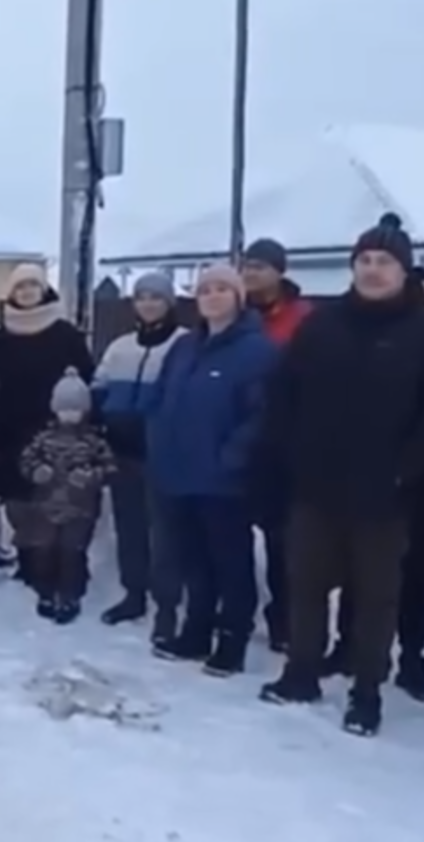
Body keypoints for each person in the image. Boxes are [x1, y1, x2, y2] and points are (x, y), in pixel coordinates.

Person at [256, 219, 424, 737]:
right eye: (365, 261)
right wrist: (291, 454)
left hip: (386, 494)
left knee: (376, 596)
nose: (374, 270)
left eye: (385, 262)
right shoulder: (322, 326)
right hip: (317, 486)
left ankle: (367, 690)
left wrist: (409, 465)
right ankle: (301, 672)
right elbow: (283, 395)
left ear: (404, 270)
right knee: (307, 584)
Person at [146, 264, 277, 676]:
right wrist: (158, 443)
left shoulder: (258, 351)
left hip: (225, 482)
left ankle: (232, 641)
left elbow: (263, 415)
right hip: (179, 473)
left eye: (222, 289)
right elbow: (162, 398)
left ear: (239, 298)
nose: (213, 296)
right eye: (205, 290)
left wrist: (232, 457)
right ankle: (196, 631)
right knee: (194, 561)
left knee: (231, 563)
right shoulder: (185, 347)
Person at [0, 263, 95, 587]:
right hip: (11, 432)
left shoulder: (66, 335)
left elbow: (86, 380)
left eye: (33, 285)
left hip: (56, 433)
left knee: (55, 501)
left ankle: (60, 565)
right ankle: (28, 560)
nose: (27, 291)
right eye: (20, 287)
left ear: (44, 289)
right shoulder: (0, 339)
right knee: (19, 505)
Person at [90, 271, 184, 633]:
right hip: (122, 451)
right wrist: (101, 418)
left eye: (156, 297)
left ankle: (167, 606)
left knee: (165, 534)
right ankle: (133, 594)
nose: (148, 304)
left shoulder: (183, 344)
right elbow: (99, 386)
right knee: (129, 529)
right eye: (142, 297)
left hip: (163, 454)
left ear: (169, 303)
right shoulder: (121, 346)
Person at [241, 237, 314, 650]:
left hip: (284, 446)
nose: (252, 274)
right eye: (247, 266)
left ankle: (286, 620)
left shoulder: (303, 318)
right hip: (240, 437)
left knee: (282, 541)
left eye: (261, 266)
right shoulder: (234, 314)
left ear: (279, 271)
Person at [13, 370, 113, 622]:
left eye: (74, 410)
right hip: (45, 506)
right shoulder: (43, 438)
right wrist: (36, 470)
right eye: (64, 410)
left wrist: (90, 476)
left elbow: (109, 467)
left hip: (80, 509)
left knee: (72, 551)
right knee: (44, 548)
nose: (69, 416)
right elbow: (26, 460)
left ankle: (70, 595)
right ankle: (45, 591)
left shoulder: (93, 441)